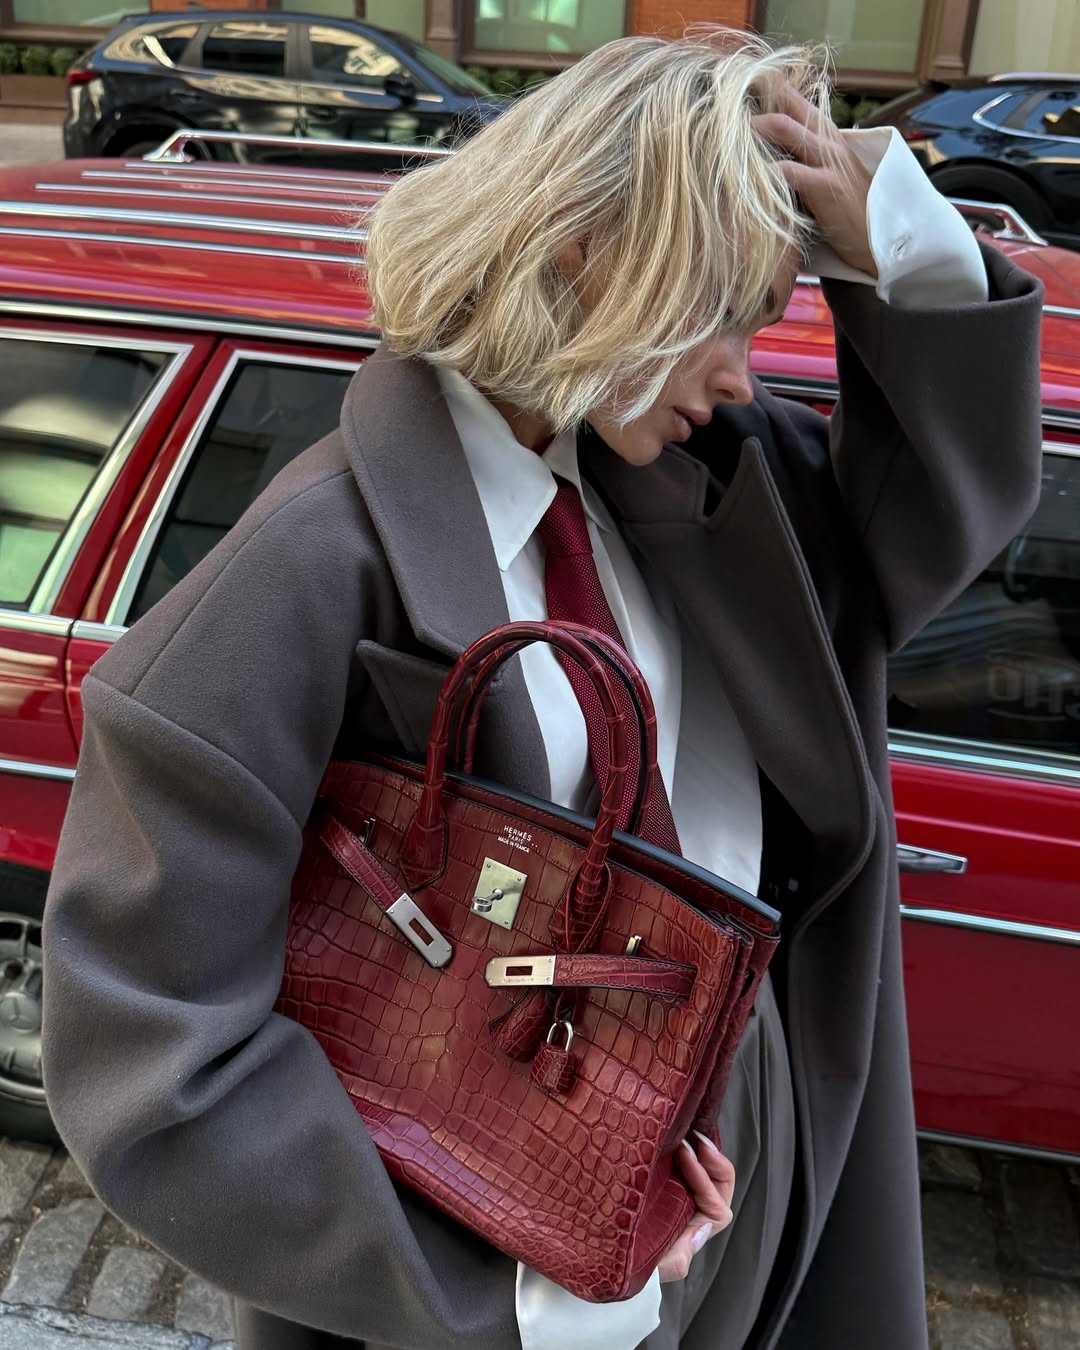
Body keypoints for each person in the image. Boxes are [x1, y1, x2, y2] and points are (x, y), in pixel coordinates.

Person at [41, 27, 1042, 1350]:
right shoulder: (312, 559)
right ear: (594, 251)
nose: (747, 371)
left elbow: (934, 511)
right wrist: (519, 1297)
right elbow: (149, 1056)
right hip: (484, 1276)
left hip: (755, 1186)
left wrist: (900, 232)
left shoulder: (713, 483)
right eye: (728, 317)